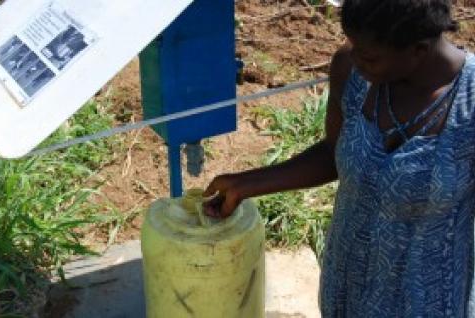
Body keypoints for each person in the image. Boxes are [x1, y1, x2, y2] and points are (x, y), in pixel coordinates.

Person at [203, 0, 475, 316]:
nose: (355, 58)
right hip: (348, 284)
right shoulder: (351, 71)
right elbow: (335, 153)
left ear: (419, 49)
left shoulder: (468, 107)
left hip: (428, 300)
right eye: (352, 43)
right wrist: (244, 184)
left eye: (369, 56)